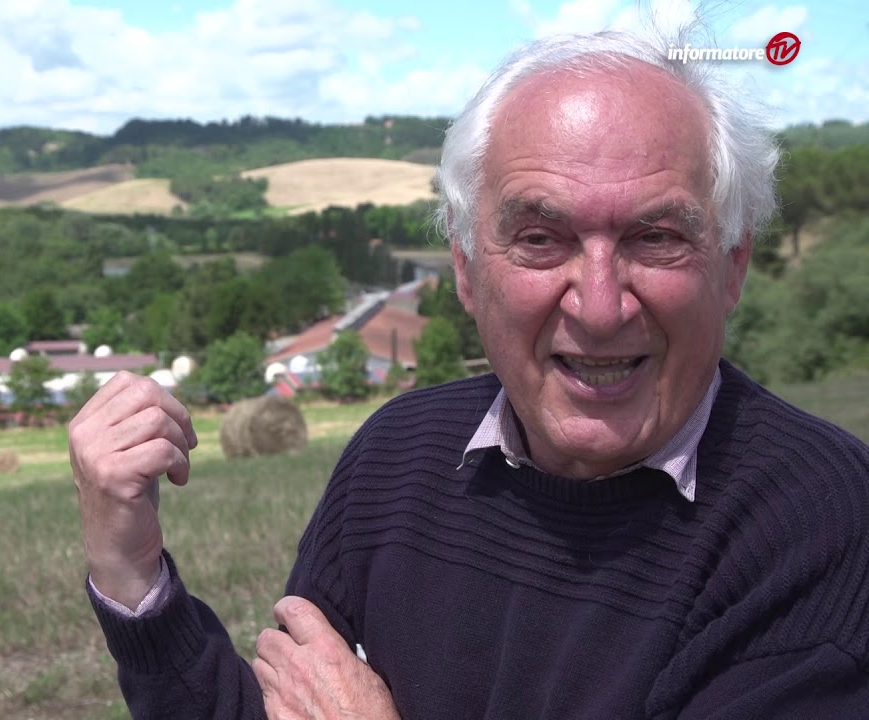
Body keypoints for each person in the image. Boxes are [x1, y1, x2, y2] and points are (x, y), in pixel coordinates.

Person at [68, 26, 869, 719]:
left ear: (732, 266)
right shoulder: (396, 459)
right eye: (540, 238)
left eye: (656, 236)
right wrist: (132, 576)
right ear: (464, 268)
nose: (598, 306)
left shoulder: (819, 519)